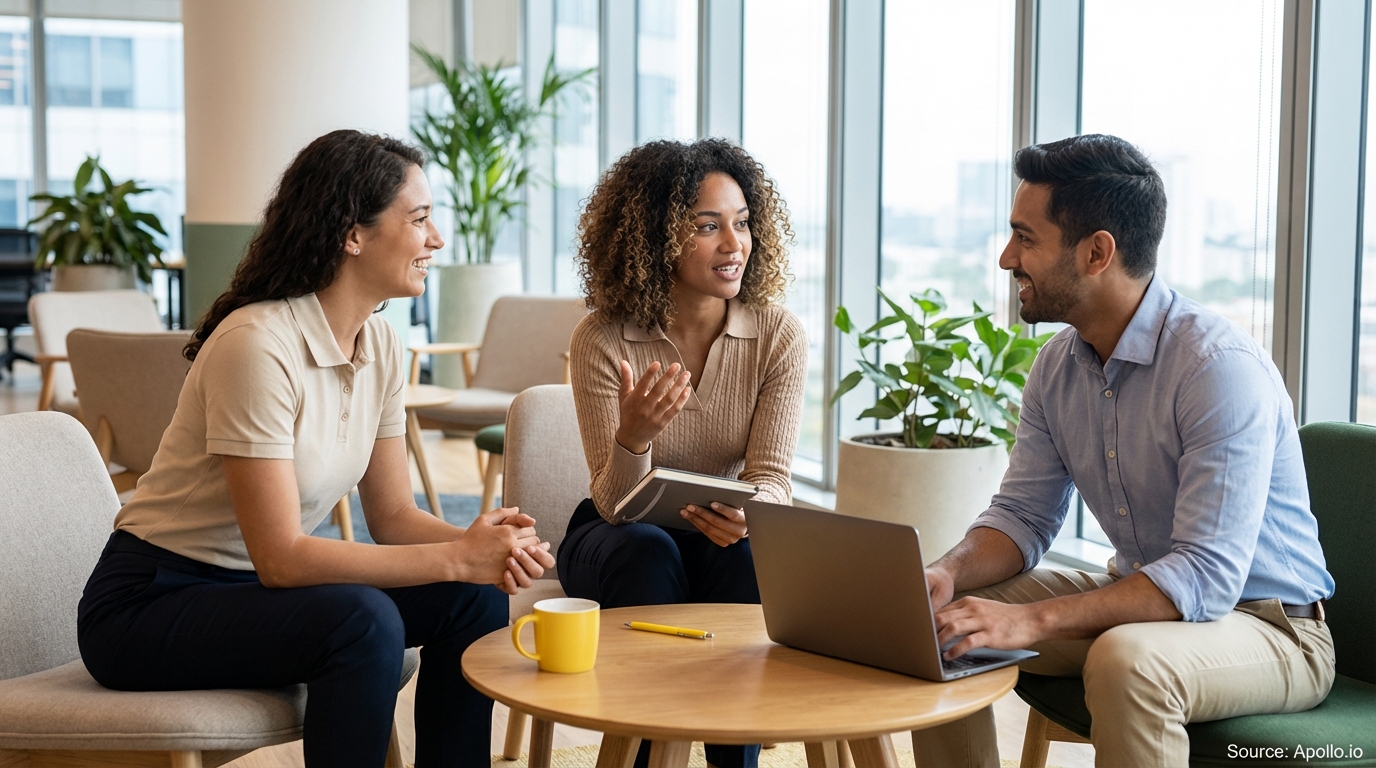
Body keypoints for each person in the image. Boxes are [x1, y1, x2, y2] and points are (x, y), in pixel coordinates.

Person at [76, 130, 556, 768]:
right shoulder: (257, 343)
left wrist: (481, 553)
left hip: (253, 592)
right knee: (363, 620)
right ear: (352, 234)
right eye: (418, 220)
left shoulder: (379, 343)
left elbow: (391, 519)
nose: (436, 239)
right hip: (152, 601)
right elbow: (281, 558)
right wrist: (455, 556)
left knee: (473, 596)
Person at [910, 134, 1336, 767]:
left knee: (1126, 659)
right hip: (1147, 608)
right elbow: (1022, 517)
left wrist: (1032, 622)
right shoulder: (1056, 367)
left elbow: (1205, 576)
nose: (1006, 258)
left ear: (1096, 252)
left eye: (1025, 238)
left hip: (1272, 629)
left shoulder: (1216, 368)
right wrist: (944, 574)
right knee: (934, 625)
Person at [556, 138, 806, 768]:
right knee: (647, 549)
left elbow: (773, 478)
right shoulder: (603, 336)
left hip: (718, 532)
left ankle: (734, 760)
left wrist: (757, 511)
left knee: (747, 552)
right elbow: (614, 503)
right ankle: (645, 756)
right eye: (707, 226)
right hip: (614, 537)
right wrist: (634, 435)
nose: (734, 244)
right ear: (654, 237)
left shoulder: (777, 333)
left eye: (743, 223)